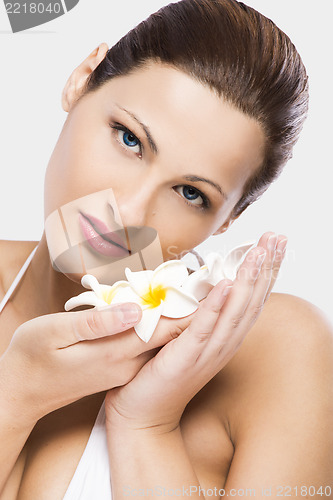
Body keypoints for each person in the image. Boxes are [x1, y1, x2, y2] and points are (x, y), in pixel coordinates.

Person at [0, 0, 332, 498]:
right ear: (82, 79)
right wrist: (16, 393)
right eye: (129, 139)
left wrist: (145, 424)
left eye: (191, 193)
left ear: (229, 221)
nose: (130, 214)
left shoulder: (279, 355)